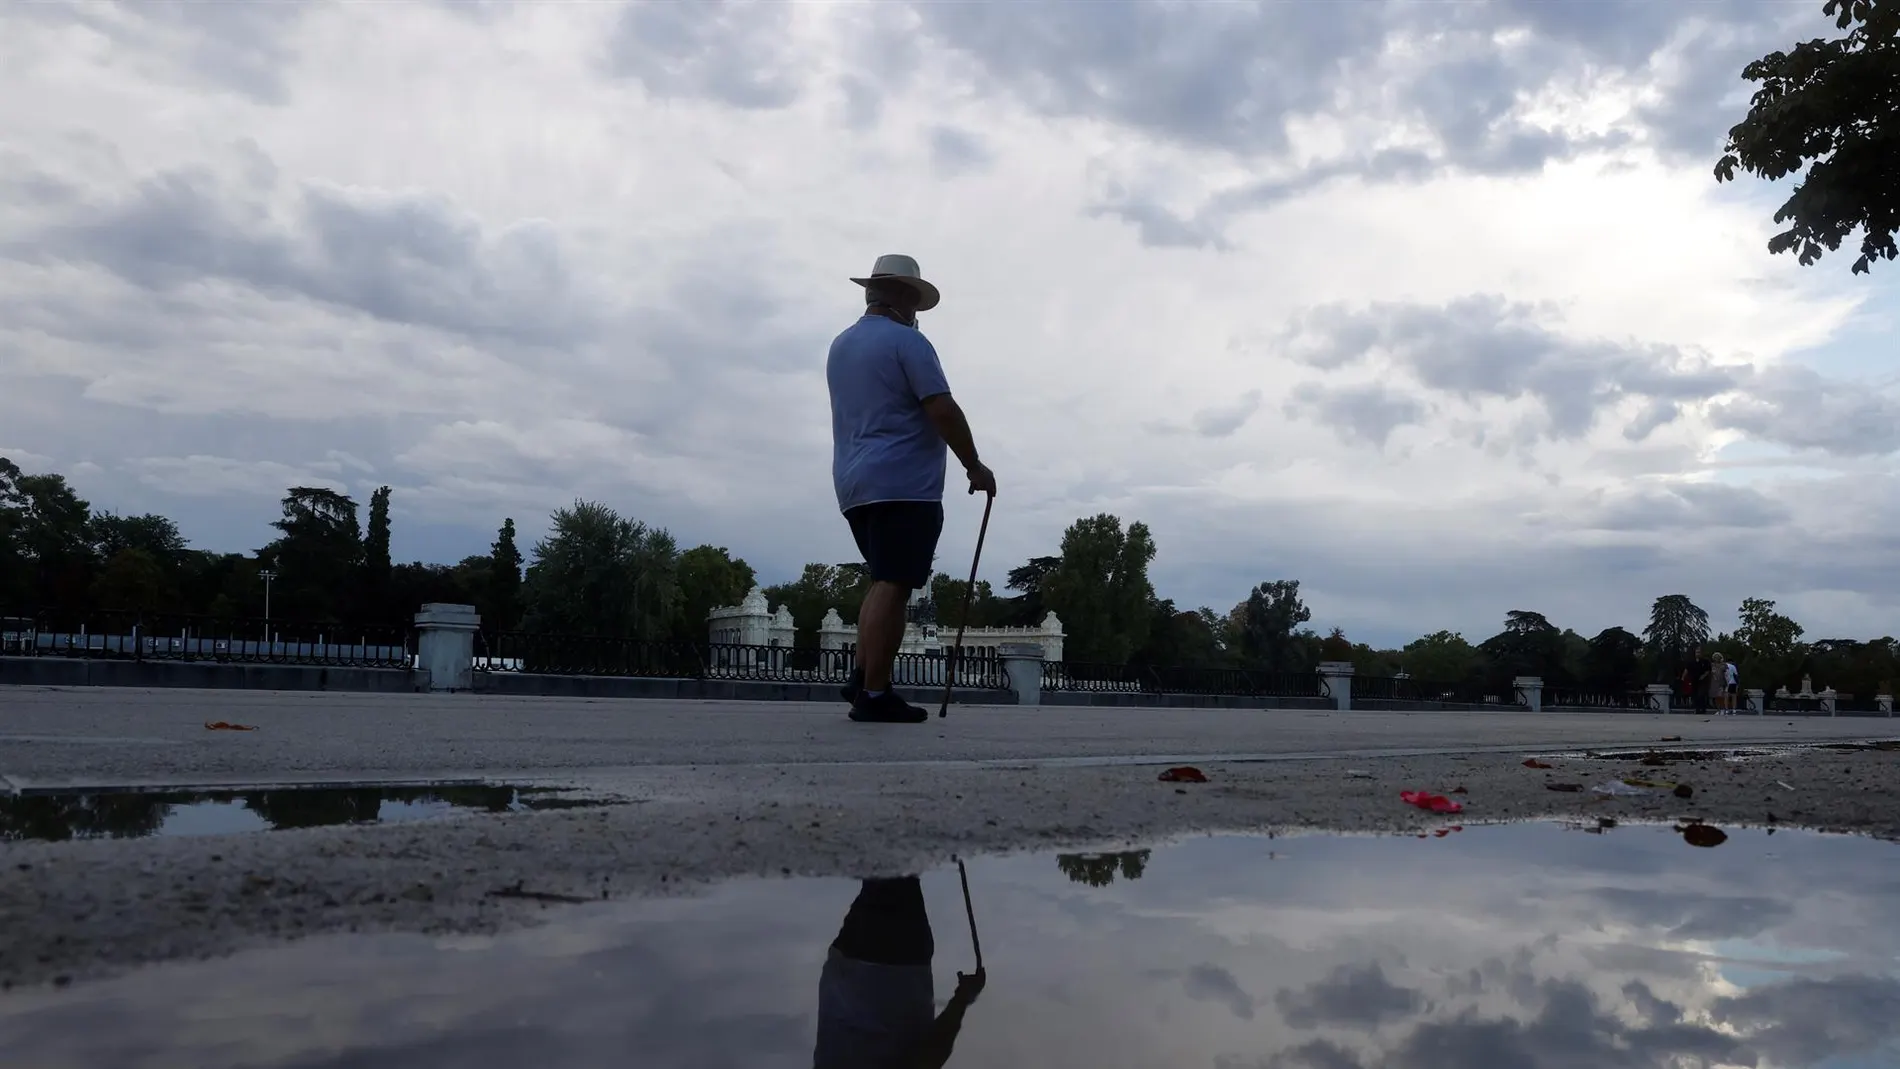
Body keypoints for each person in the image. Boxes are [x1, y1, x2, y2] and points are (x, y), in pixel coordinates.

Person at [827, 254, 997, 724]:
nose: (918, 312)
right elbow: (941, 408)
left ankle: (864, 676)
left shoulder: (841, 345)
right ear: (902, 297)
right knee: (896, 584)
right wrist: (974, 465)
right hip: (904, 482)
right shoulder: (909, 343)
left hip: (853, 481)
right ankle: (876, 695)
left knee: (883, 579)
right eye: (915, 301)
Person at [813, 876, 986, 1068]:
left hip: (892, 975)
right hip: (845, 973)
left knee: (895, 872)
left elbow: (930, 1056)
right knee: (883, 874)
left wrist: (962, 999)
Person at [1688, 646, 1712, 715]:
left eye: (1699, 652)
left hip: (1703, 681)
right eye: (1696, 652)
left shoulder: (1705, 661)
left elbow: (1708, 670)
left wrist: (1703, 676)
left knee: (1701, 694)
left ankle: (1703, 708)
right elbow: (1688, 670)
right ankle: (1697, 709)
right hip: (1694, 680)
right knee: (1695, 695)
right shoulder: (1692, 661)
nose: (1697, 654)